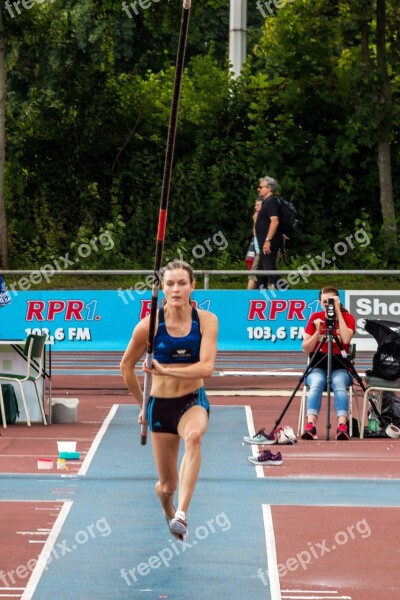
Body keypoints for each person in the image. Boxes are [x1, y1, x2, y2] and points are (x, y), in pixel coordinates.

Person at [120, 260, 218, 540]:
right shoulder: (148, 327)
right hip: (160, 406)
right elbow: (125, 366)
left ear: (193, 286)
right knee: (167, 485)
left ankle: (182, 514)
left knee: (195, 437)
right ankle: (169, 508)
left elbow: (207, 368)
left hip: (192, 400)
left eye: (182, 283)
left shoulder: (206, 321)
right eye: (170, 284)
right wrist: (142, 406)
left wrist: (165, 369)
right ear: (162, 289)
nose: (176, 289)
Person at [301, 286, 356, 441]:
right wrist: (318, 331)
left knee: (338, 382)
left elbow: (345, 340)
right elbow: (305, 348)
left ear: (338, 301)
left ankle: (342, 426)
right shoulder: (315, 317)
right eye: (324, 302)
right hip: (317, 365)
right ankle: (310, 425)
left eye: (331, 301)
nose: (327, 305)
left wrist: (338, 313)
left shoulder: (348, 318)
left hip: (341, 367)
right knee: (317, 381)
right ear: (320, 303)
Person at [254, 176, 284, 290]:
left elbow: (274, 221)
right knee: (261, 274)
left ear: (269, 188)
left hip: (269, 244)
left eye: (261, 187)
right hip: (265, 244)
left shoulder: (272, 201)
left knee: (271, 273)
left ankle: (288, 294)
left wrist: (268, 240)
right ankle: (260, 297)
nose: (258, 189)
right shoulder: (266, 202)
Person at [247, 196, 263, 290]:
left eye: (258, 205)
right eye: (255, 205)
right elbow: (255, 234)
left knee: (252, 275)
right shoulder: (258, 216)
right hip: (259, 250)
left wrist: (256, 220)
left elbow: (257, 233)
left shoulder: (262, 218)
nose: (256, 207)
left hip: (262, 251)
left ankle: (247, 296)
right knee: (266, 275)